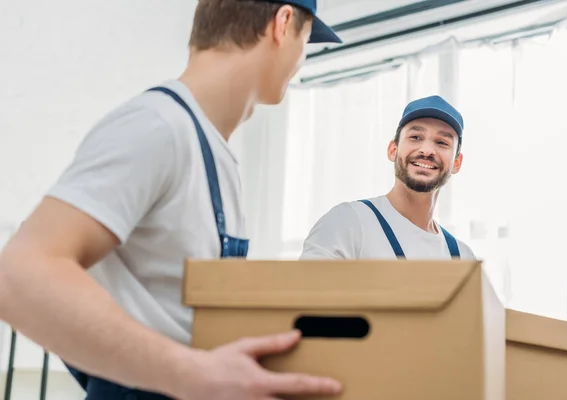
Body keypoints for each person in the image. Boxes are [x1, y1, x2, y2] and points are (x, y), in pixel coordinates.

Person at [0, 1, 344, 399]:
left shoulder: (210, 149)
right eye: (306, 39)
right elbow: (18, 277)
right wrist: (193, 374)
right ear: (283, 25)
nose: (302, 59)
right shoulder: (159, 126)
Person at [300, 95, 476, 261]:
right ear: (393, 150)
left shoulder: (462, 256)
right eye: (415, 137)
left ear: (457, 163)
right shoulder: (348, 222)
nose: (427, 150)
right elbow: (303, 291)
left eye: (442, 143)